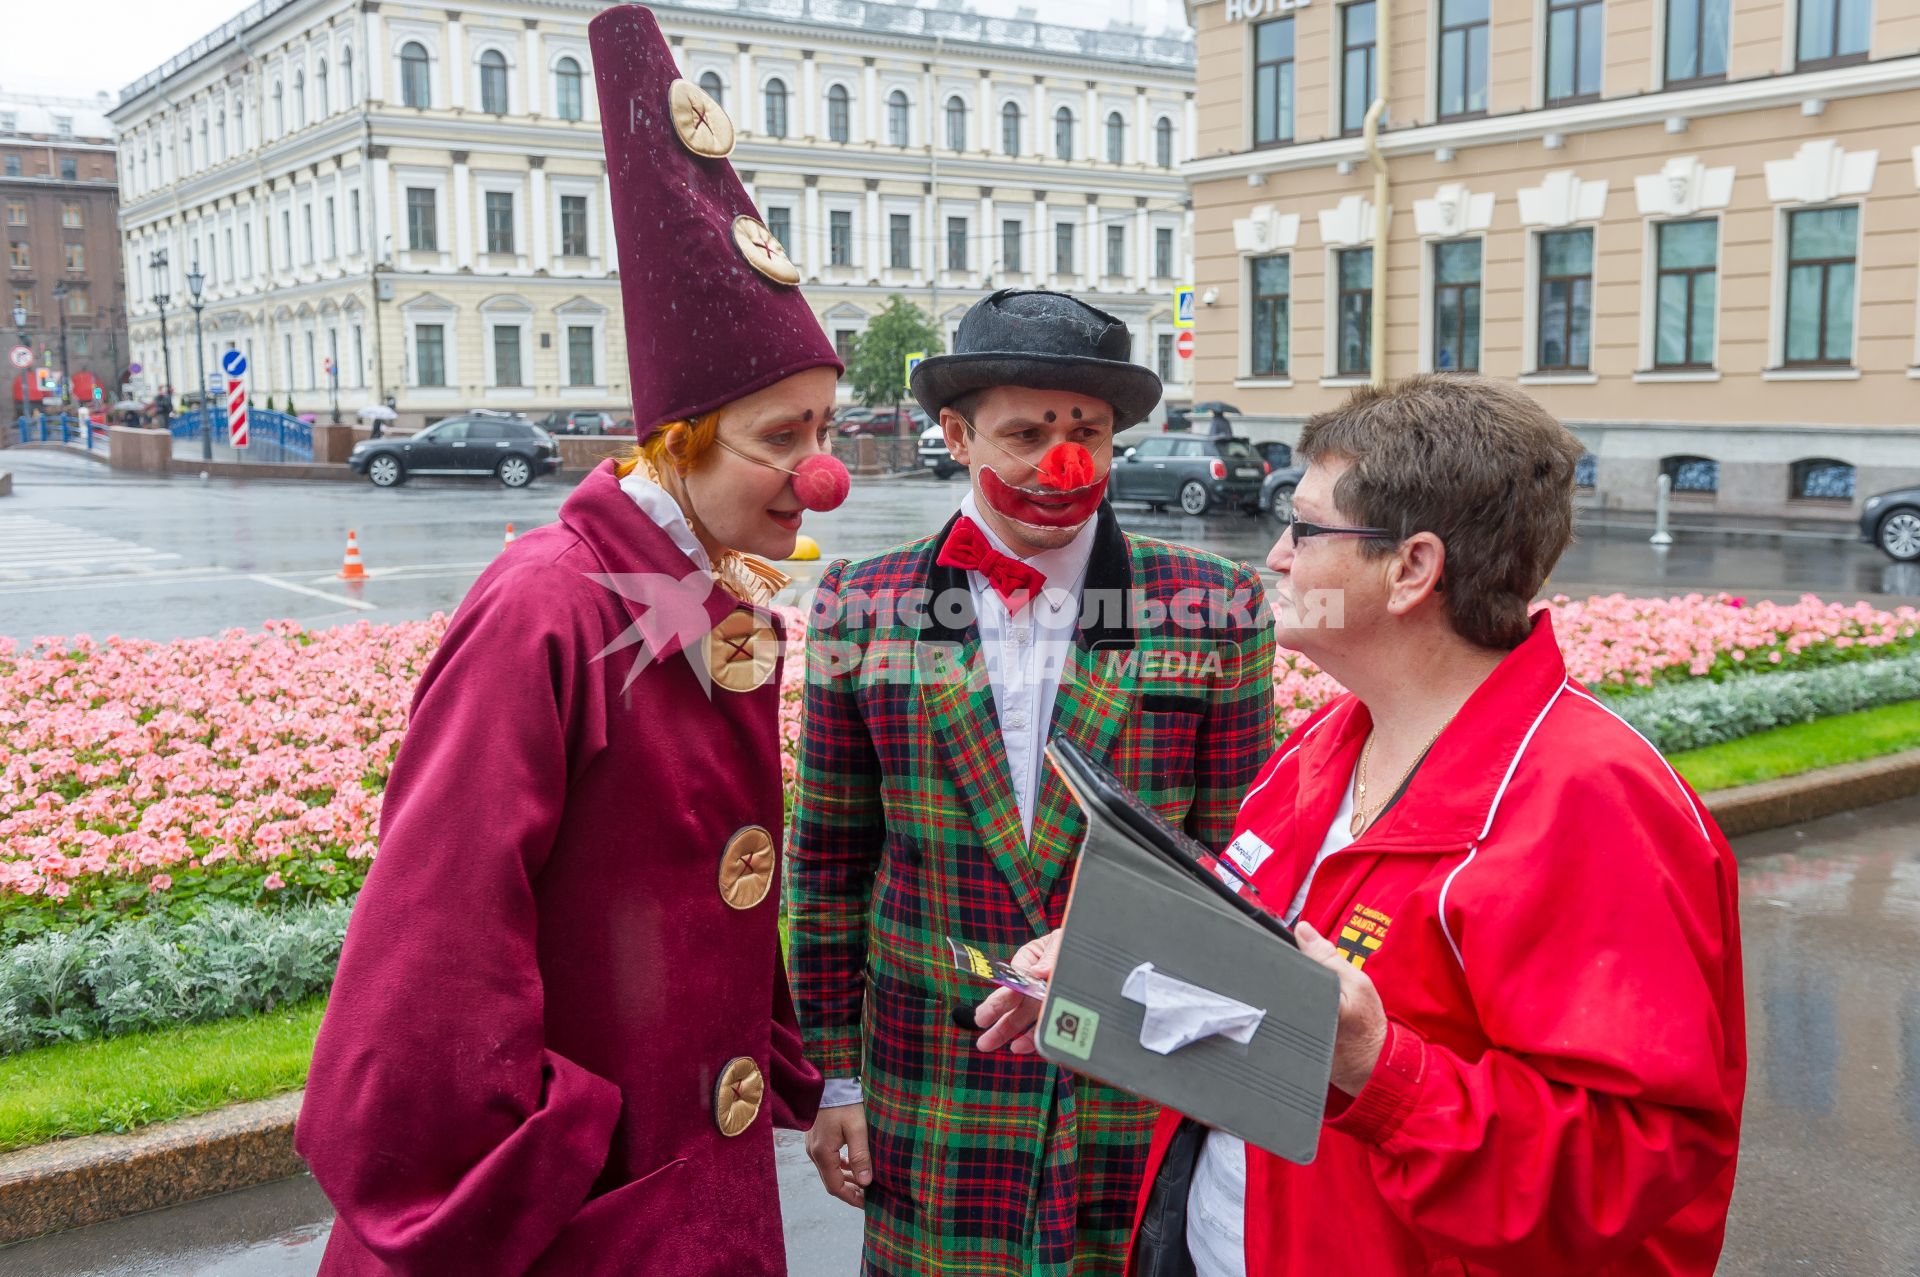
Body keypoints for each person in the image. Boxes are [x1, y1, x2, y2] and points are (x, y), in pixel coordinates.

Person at [295, 8, 851, 1273]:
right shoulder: (550, 602)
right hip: (570, 1223)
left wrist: (782, 1063)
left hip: (691, 1201)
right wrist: (545, 1154)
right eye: (783, 436)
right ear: (678, 440)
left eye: (827, 428)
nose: (822, 476)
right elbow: (437, 936)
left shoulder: (712, 596)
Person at [977, 374, 1748, 1277]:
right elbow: (1257, 1000)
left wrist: (1377, 1065)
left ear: (1413, 567)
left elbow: (1628, 1173)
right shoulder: (1326, 745)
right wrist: (1117, 976)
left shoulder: (1589, 800)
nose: (1275, 556)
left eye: (1304, 528)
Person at [789, 288, 1278, 1277]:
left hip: (1134, 1081)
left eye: (1088, 431)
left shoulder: (1212, 606)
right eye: (1027, 433)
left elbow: (1240, 862)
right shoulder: (860, 604)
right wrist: (837, 1076)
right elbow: (830, 863)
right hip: (934, 1084)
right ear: (958, 434)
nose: (1066, 463)